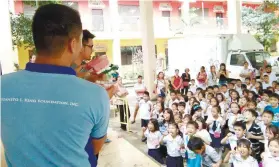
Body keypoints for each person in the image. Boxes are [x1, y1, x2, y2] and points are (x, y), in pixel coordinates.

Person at [1, 4, 110, 167]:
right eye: (81, 41)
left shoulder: (3, 85)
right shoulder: (97, 95)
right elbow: (94, 148)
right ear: (73, 44)